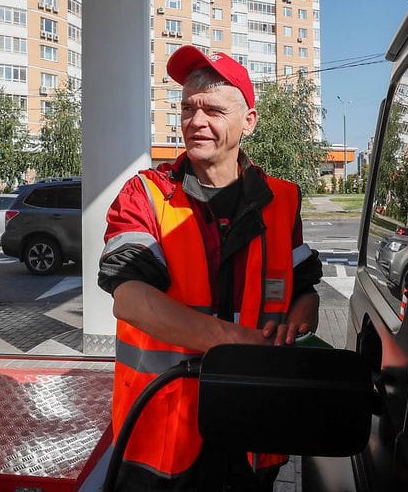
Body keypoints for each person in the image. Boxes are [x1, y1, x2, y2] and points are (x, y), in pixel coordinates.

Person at [99, 45, 323, 491]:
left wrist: (299, 324)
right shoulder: (145, 195)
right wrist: (241, 343)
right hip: (162, 435)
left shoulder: (281, 201)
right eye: (188, 108)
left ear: (249, 122)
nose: (195, 121)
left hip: (252, 427)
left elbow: (305, 290)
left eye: (213, 110)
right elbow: (130, 299)